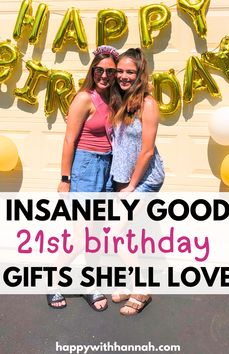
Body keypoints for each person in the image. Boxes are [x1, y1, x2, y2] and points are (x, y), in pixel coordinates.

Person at [47, 45, 119, 310]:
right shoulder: (84, 99)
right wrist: (65, 178)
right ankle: (52, 278)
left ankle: (93, 284)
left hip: (106, 169)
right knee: (82, 237)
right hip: (85, 168)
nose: (104, 75)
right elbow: (69, 139)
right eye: (99, 70)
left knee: (96, 234)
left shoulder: (113, 98)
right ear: (92, 70)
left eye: (110, 71)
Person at [110, 48, 165, 315]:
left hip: (143, 180)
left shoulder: (148, 104)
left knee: (117, 233)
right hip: (123, 177)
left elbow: (147, 151)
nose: (123, 76)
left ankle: (142, 288)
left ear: (140, 73)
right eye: (120, 71)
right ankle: (131, 282)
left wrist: (131, 187)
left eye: (130, 71)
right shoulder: (120, 101)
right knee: (128, 233)